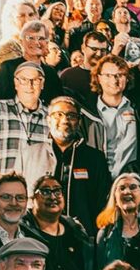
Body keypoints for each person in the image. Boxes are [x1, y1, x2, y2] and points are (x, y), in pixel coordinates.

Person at [0, 61, 54, 200]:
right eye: (24, 80)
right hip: (4, 197)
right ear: (16, 83)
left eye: (35, 80)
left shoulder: (50, 117)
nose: (30, 85)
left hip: (38, 202)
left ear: (42, 84)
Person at [46, 95, 111, 235]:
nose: (65, 120)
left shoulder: (96, 159)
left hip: (82, 240)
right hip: (38, 238)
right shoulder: (29, 154)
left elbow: (103, 205)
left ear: (79, 122)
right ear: (48, 119)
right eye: (58, 114)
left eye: (71, 116)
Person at [79, 54, 140, 178]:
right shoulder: (87, 114)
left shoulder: (138, 110)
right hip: (98, 180)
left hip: (130, 181)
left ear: (127, 78)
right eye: (108, 75)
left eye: (120, 75)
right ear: (98, 78)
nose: (114, 80)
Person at [0, 20, 64, 104]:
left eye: (41, 38)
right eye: (30, 38)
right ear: (21, 42)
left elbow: (58, 106)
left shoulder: (51, 73)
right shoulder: (6, 68)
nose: (36, 42)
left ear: (47, 43)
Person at [95, 173, 140, 270]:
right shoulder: (104, 235)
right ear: (115, 198)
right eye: (122, 188)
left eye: (133, 187)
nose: (127, 191)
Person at [59, 32, 109, 100]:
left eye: (103, 50)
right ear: (83, 48)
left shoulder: (111, 76)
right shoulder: (67, 76)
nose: (99, 54)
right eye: (94, 49)